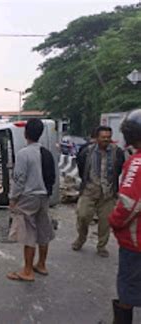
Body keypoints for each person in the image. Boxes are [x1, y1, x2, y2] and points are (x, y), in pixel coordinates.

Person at [6, 119, 56, 282]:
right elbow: (52, 177)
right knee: (43, 230)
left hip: (28, 197)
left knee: (28, 233)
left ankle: (27, 271)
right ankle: (41, 264)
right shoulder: (47, 153)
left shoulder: (23, 154)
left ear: (26, 133)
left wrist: (13, 198)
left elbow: (19, 179)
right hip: (43, 197)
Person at [72, 126, 125, 257]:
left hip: (107, 193)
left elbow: (118, 170)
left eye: (108, 137)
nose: (106, 140)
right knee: (83, 216)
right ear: (96, 138)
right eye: (103, 137)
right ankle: (81, 238)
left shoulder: (117, 152)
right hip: (89, 190)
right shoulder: (86, 152)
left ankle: (102, 246)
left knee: (106, 221)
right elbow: (81, 168)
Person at [109, 109, 141, 324]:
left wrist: (114, 221)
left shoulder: (137, 163)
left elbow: (129, 203)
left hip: (135, 242)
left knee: (127, 290)